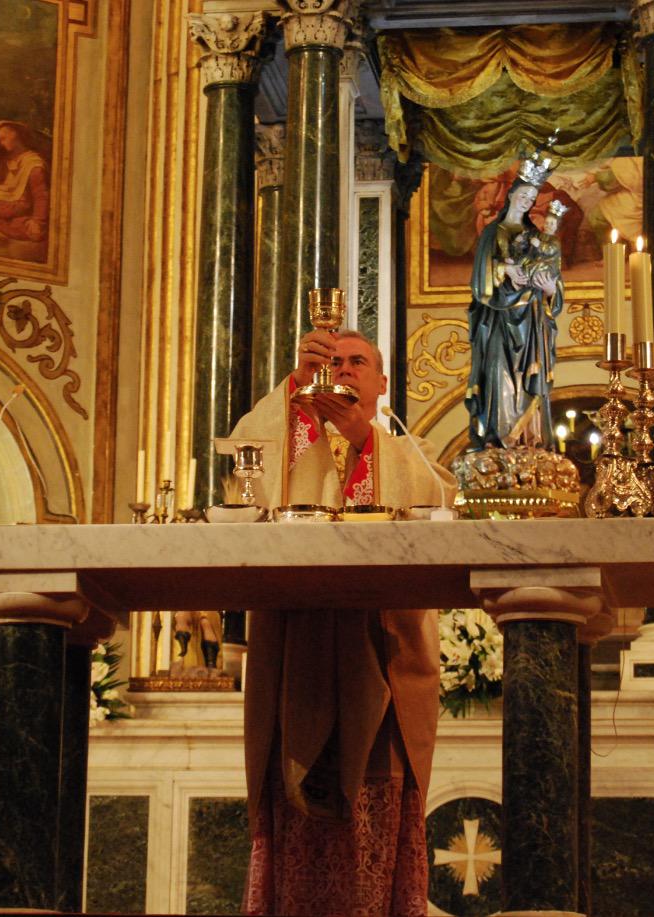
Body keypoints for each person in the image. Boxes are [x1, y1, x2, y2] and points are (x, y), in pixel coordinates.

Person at [229, 329, 456, 917]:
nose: (346, 370)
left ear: (381, 383)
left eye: (359, 362)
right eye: (335, 361)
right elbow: (243, 481)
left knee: (375, 819)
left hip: (383, 657)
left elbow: (436, 507)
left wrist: (362, 439)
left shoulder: (407, 448)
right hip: (295, 658)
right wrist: (293, 392)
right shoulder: (288, 435)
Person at [465, 143, 565, 451]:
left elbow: (553, 280)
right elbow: (479, 279)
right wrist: (504, 271)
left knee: (528, 380)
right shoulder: (492, 234)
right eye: (522, 196)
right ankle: (498, 441)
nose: (526, 202)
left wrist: (550, 290)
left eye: (532, 199)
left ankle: (528, 443)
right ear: (511, 196)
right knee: (498, 374)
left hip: (531, 321)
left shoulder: (538, 239)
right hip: (497, 320)